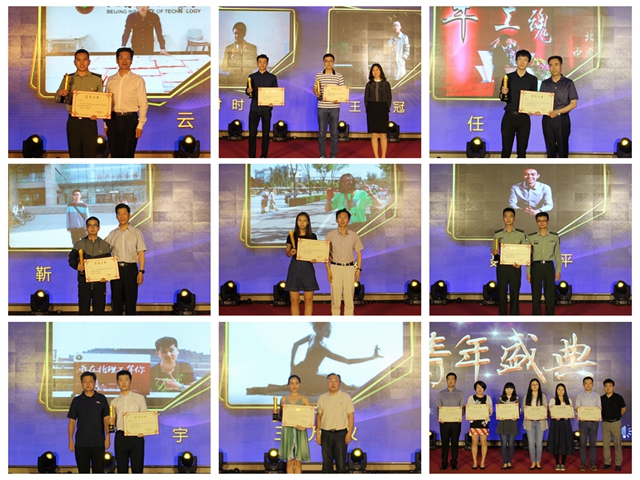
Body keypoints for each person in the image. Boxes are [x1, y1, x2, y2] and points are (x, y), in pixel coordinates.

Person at [54, 49, 103, 158]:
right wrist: (61, 94)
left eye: (84, 60)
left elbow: (101, 101)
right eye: (78, 60)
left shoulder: (97, 79)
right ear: (74, 62)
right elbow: (57, 99)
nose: (82, 63)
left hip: (89, 122)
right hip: (73, 121)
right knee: (74, 153)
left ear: (89, 62)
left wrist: (98, 113)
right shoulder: (68, 78)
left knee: (90, 153)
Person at [105, 47, 148, 158]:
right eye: (121, 58)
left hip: (130, 120)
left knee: (128, 154)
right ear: (117, 60)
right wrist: (105, 124)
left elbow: (143, 103)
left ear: (131, 60)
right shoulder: (110, 80)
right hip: (113, 120)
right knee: (114, 154)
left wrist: (140, 125)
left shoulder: (138, 80)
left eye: (127, 58)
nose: (124, 61)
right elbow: (106, 103)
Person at [105, 203, 146, 315]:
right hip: (116, 270)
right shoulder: (112, 234)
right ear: (116, 216)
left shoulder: (136, 233)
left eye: (124, 214)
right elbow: (104, 251)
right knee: (116, 301)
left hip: (131, 270)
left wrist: (141, 272)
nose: (122, 216)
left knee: (131, 300)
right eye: (119, 214)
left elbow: (141, 253)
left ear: (129, 215)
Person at [67, 371, 110, 473]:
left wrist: (108, 437)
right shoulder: (77, 401)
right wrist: (70, 440)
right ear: (81, 383)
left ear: (95, 382)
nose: (87, 384)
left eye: (90, 381)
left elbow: (106, 419)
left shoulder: (102, 399)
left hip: (98, 442)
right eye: (85, 381)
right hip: (81, 443)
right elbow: (72, 421)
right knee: (83, 472)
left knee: (98, 472)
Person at [68, 216, 111, 315]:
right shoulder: (79, 244)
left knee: (99, 313)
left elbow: (109, 264)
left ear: (99, 228)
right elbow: (71, 259)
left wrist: (107, 276)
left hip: (99, 285)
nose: (92, 228)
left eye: (95, 225)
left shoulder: (105, 245)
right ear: (86, 228)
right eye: (90, 225)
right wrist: (77, 265)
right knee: (83, 312)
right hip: (84, 284)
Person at [499, 49, 538, 158]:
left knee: (522, 152)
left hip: (524, 118)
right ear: (516, 61)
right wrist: (503, 93)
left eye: (525, 60)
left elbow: (534, 97)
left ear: (528, 62)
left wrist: (533, 109)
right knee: (506, 150)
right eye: (520, 59)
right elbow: (502, 98)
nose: (522, 62)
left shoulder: (532, 79)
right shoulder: (508, 77)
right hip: (509, 116)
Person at [326, 209, 364, 316]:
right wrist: (328, 271)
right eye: (340, 218)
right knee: (335, 298)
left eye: (345, 218)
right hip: (335, 268)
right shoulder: (330, 235)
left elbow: (359, 254)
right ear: (336, 220)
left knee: (349, 298)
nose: (342, 220)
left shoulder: (354, 235)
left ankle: (348, 321)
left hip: (349, 268)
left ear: (349, 220)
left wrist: (358, 269)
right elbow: (326, 255)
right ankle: (336, 320)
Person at [540, 56, 579, 158]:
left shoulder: (568, 83)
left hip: (562, 120)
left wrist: (558, 112)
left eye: (556, 65)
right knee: (550, 149)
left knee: (563, 148)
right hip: (547, 120)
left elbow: (573, 104)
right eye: (551, 65)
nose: (553, 68)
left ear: (561, 66)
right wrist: (537, 110)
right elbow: (540, 102)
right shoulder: (545, 83)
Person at [316, 373, 354, 473]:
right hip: (326, 434)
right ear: (327, 383)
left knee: (341, 465)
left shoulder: (345, 397)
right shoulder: (322, 398)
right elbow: (319, 416)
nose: (333, 383)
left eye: (335, 381)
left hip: (341, 434)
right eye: (330, 381)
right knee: (326, 466)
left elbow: (350, 416)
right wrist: (317, 433)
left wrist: (349, 433)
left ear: (339, 383)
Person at [111, 370, 148, 473]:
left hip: (136, 437)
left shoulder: (139, 398)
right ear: (117, 382)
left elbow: (145, 416)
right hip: (120, 437)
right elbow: (113, 422)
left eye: (126, 380)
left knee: (137, 468)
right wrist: (111, 421)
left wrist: (143, 431)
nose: (123, 383)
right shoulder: (114, 402)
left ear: (130, 381)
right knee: (121, 469)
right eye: (121, 380)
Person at [492, 207, 527, 315]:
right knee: (502, 293)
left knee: (514, 293)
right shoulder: (498, 234)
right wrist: (494, 251)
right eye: (506, 216)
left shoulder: (520, 234)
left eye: (511, 216)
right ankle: (502, 316)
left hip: (515, 267)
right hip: (502, 267)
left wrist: (520, 263)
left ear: (514, 218)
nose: (508, 219)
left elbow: (525, 251)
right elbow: (494, 250)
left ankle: (514, 316)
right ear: (503, 218)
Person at [526, 212, 562, 315]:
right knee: (535, 294)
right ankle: (536, 316)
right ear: (536, 222)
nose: (542, 223)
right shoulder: (531, 237)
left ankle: (550, 316)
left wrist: (558, 270)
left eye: (544, 221)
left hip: (549, 266)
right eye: (539, 221)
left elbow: (558, 255)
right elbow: (528, 256)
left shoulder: (554, 237)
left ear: (548, 222)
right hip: (536, 266)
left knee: (550, 294)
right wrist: (528, 272)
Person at [285, 213, 319, 316]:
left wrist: (315, 258)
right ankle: (297, 323)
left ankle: (307, 322)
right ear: (296, 222)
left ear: (308, 222)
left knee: (308, 300)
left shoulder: (312, 236)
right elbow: (287, 252)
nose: (302, 223)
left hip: (307, 268)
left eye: (304, 221)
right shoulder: (291, 236)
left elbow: (316, 253)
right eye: (300, 220)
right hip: (294, 268)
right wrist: (290, 252)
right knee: (294, 301)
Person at [246, 54, 278, 158]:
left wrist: (273, 101)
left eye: (264, 62)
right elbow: (247, 91)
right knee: (252, 134)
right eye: (260, 62)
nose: (262, 64)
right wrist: (248, 91)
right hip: (254, 109)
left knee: (266, 134)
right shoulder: (251, 77)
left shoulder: (272, 77)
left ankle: (264, 156)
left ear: (267, 64)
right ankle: (252, 157)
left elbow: (275, 92)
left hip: (266, 109)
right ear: (257, 63)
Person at [313, 54, 345, 158]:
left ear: (333, 62)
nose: (328, 63)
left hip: (334, 107)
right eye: (326, 61)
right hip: (322, 107)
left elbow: (342, 91)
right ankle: (322, 155)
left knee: (334, 133)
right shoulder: (318, 75)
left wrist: (339, 98)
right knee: (322, 133)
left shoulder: (339, 76)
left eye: (330, 61)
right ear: (323, 62)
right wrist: (316, 92)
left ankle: (333, 156)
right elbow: (315, 88)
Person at [279, 375, 311, 474]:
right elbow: (280, 418)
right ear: (288, 385)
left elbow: (309, 417)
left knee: (298, 462)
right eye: (292, 383)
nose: (294, 386)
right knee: (289, 462)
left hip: (300, 431)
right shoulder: (284, 399)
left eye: (296, 383)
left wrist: (304, 427)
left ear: (299, 384)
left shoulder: (304, 399)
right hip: (287, 431)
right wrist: (275, 413)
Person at [436, 372, 465, 470]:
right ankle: (444, 462)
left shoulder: (460, 393)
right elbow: (438, 408)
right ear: (446, 381)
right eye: (449, 379)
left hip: (456, 423)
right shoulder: (441, 394)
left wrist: (459, 416)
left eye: (453, 379)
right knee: (444, 443)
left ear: (455, 381)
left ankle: (454, 462)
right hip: (444, 423)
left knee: (455, 443)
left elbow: (462, 408)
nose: (451, 381)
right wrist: (440, 418)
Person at [364, 64, 392, 158]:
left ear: (381, 71)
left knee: (383, 135)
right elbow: (366, 99)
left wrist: (386, 108)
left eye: (377, 70)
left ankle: (383, 157)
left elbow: (389, 98)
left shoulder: (386, 84)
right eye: (373, 70)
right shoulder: (369, 84)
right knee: (374, 135)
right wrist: (368, 109)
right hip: (372, 109)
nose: (375, 72)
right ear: (371, 72)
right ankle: (376, 157)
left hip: (383, 108)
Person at [575, 376, 601, 471]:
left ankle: (593, 464)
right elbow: (577, 409)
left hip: (594, 423)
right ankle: (583, 464)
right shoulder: (579, 396)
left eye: (590, 383)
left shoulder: (597, 396)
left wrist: (596, 416)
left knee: (593, 444)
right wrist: (580, 415)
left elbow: (599, 408)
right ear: (583, 385)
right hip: (583, 423)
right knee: (582, 444)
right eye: (586, 383)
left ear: (592, 384)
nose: (588, 385)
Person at [600, 378, 626, 471]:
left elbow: (623, 408)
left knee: (617, 444)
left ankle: (618, 463)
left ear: (613, 387)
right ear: (604, 387)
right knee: (606, 444)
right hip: (605, 423)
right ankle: (607, 463)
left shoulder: (618, 397)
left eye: (610, 386)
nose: (608, 388)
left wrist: (617, 416)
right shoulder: (601, 398)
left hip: (616, 423)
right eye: (606, 386)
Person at [547, 383, 574, 472]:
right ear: (556, 390)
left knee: (565, 443)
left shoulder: (568, 400)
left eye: (562, 389)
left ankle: (563, 463)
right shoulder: (553, 400)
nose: (561, 391)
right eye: (559, 389)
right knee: (556, 443)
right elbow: (550, 412)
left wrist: (568, 416)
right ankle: (557, 463)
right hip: (556, 424)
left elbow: (570, 412)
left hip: (565, 424)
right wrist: (554, 416)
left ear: (565, 391)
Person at [467, 381, 492, 470]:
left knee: (484, 442)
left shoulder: (488, 398)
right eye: (478, 387)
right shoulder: (471, 398)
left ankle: (482, 462)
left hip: (484, 423)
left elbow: (491, 410)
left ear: (484, 388)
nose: (480, 389)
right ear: (475, 388)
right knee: (474, 443)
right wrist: (472, 415)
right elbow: (469, 410)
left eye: (481, 387)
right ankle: (474, 462)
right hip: (474, 422)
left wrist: (488, 411)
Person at [523, 378, 547, 470]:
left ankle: (538, 461)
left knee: (539, 442)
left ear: (539, 386)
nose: (534, 386)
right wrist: (526, 411)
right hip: (530, 422)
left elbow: (545, 408)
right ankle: (533, 461)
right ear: (530, 386)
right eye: (532, 384)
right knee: (531, 443)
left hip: (540, 422)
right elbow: (523, 409)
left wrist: (542, 413)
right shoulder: (527, 396)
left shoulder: (543, 396)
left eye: (536, 384)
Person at [496, 382, 519, 470]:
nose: (509, 390)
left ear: (513, 390)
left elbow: (518, 411)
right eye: (507, 388)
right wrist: (499, 416)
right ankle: (505, 462)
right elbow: (498, 410)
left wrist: (516, 416)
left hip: (512, 423)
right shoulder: (500, 399)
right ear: (504, 389)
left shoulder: (517, 399)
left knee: (512, 444)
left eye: (511, 388)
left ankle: (510, 462)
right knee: (503, 444)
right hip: (503, 423)